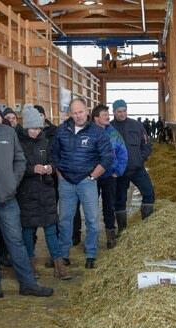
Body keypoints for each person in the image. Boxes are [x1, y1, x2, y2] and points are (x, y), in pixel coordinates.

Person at [0, 91, 53, 298]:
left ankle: (27, 282)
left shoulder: (8, 133)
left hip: (8, 198)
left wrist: (13, 182)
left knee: (15, 241)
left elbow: (20, 159)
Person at [52, 98, 113, 269]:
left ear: (87, 111)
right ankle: (63, 254)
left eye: (81, 112)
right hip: (66, 182)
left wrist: (93, 176)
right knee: (65, 219)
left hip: (87, 182)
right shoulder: (62, 130)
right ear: (69, 114)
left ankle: (91, 253)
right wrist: (60, 174)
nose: (78, 116)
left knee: (92, 219)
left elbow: (107, 157)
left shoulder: (97, 132)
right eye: (74, 113)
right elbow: (54, 154)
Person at [17, 104, 70, 280]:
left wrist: (50, 168)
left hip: (46, 191)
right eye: (33, 128)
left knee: (50, 229)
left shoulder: (45, 140)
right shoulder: (18, 142)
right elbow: (17, 166)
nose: (36, 131)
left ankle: (59, 264)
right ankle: (30, 265)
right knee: (28, 231)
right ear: (26, 127)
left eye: (39, 128)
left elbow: (54, 161)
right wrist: (33, 169)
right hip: (27, 193)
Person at [110, 99, 155, 230]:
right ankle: (122, 230)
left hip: (137, 168)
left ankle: (146, 226)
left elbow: (147, 144)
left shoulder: (137, 125)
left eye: (124, 111)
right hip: (120, 171)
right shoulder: (109, 128)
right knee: (120, 200)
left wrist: (140, 159)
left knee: (149, 193)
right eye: (119, 112)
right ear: (114, 112)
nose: (122, 114)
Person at [91, 104, 128, 249]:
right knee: (90, 208)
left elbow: (123, 153)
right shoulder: (88, 133)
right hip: (92, 176)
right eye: (104, 115)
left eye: (108, 114)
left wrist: (117, 171)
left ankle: (110, 237)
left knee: (109, 206)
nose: (108, 117)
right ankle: (92, 238)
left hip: (108, 176)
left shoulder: (113, 133)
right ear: (96, 118)